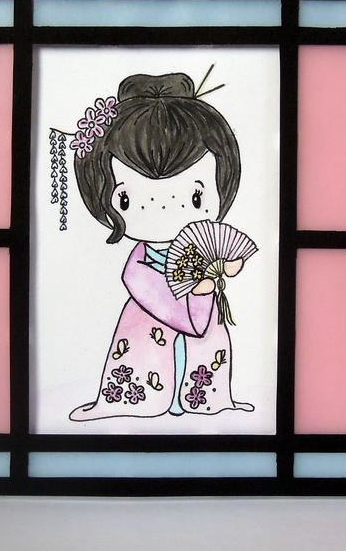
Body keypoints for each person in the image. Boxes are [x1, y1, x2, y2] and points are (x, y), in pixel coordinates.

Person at [67, 71, 254, 421]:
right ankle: (145, 403)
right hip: (150, 317)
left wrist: (228, 268)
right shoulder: (139, 268)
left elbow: (222, 268)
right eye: (127, 199)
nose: (165, 209)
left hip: (203, 316)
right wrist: (198, 293)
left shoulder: (202, 246)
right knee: (150, 360)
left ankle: (203, 400)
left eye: (195, 196)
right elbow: (152, 292)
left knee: (203, 359)